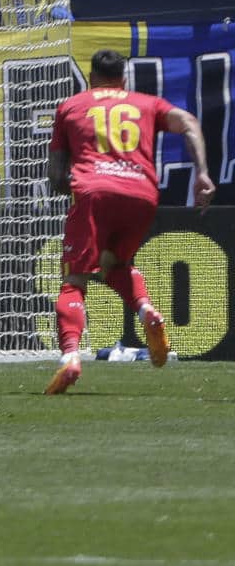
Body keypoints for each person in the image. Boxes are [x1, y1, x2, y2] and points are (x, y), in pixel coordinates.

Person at [44, 49, 213, 395]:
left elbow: (56, 173)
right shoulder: (146, 103)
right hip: (142, 194)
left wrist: (70, 189)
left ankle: (71, 357)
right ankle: (145, 309)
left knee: (74, 280)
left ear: (92, 78)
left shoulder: (72, 106)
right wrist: (202, 174)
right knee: (113, 264)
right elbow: (189, 123)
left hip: (94, 192)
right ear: (123, 79)